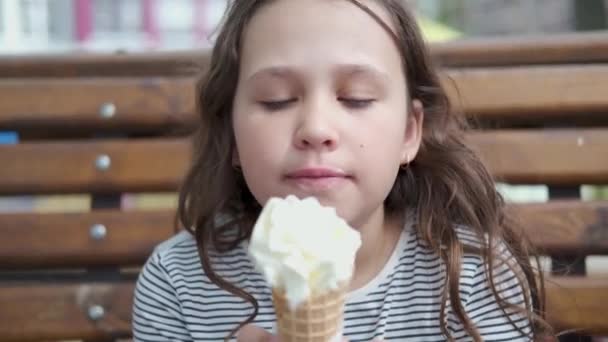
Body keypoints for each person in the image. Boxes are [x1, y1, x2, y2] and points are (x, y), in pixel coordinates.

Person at [132, 0, 552, 341]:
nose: (315, 129)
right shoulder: (179, 284)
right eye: (276, 100)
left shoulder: (472, 276)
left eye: (356, 97)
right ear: (232, 135)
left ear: (409, 132)